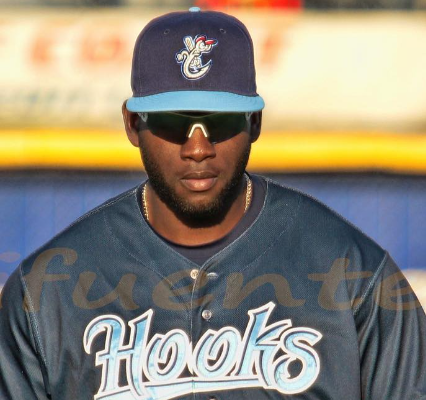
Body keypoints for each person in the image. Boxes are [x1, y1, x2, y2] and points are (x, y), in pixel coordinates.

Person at [0, 7, 425, 400]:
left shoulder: (358, 275)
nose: (198, 147)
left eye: (219, 121)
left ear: (254, 123)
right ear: (133, 124)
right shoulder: (43, 293)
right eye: (173, 121)